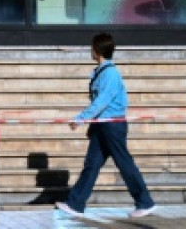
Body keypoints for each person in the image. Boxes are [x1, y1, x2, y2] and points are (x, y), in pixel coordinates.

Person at [55, 33, 156, 218]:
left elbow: (102, 101)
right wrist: (91, 124)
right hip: (102, 125)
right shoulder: (101, 72)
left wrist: (81, 118)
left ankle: (145, 202)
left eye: (92, 48)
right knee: (92, 164)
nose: (90, 51)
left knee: (124, 163)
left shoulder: (110, 74)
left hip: (112, 125)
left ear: (97, 50)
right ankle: (75, 203)